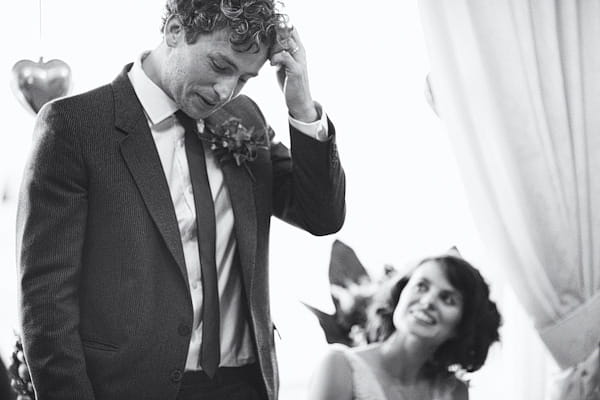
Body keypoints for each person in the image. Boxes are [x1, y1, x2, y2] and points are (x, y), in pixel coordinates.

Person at [16, 0, 345, 399]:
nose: (226, 91)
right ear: (174, 30)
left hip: (245, 385)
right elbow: (47, 304)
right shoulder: (75, 126)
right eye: (221, 66)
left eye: (244, 79)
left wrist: (302, 106)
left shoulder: (246, 119)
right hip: (130, 387)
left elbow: (322, 216)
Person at [308, 255, 501, 400]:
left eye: (447, 299)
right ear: (400, 293)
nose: (427, 302)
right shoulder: (340, 366)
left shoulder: (453, 392)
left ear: (462, 326)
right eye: (421, 286)